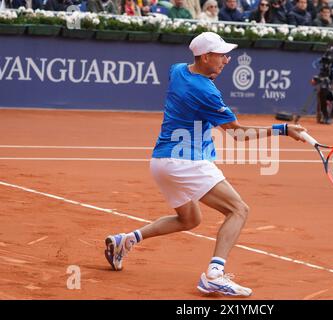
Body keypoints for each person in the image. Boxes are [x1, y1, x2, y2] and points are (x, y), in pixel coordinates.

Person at [104, 31, 307, 297]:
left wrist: (205, 76)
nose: (227, 60)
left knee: (189, 219)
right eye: (221, 55)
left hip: (161, 162)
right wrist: (282, 129)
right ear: (206, 56)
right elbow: (237, 133)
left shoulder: (177, 71)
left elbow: (187, 80)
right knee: (238, 210)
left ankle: (126, 241)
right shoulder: (207, 92)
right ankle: (214, 275)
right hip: (187, 161)